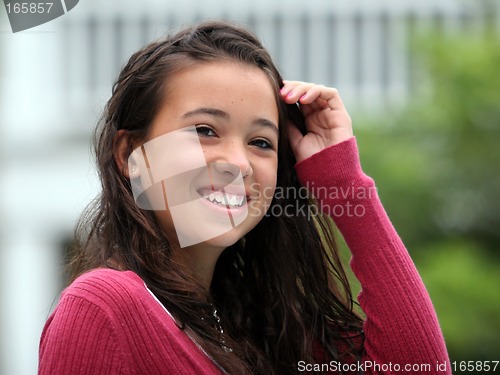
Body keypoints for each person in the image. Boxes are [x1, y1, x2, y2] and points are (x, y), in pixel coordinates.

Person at [39, 21, 450, 374]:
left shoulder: (265, 328)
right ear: (131, 154)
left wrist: (341, 184)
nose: (237, 163)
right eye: (205, 130)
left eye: (260, 142)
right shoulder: (103, 309)